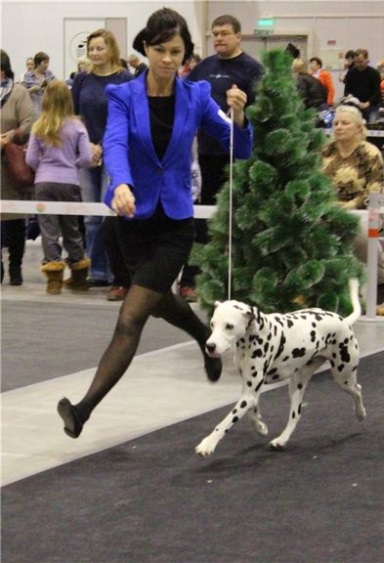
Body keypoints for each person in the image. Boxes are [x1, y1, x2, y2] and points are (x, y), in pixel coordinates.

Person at [56, 7, 253, 439]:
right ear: (145, 49)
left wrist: (239, 116)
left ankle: (83, 410)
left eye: (177, 51)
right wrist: (121, 183)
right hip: (130, 219)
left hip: (175, 225)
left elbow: (238, 147)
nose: (168, 59)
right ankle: (205, 337)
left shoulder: (198, 95)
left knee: (131, 317)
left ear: (186, 54)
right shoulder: (123, 96)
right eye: (160, 50)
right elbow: (116, 143)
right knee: (158, 299)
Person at [178, 14, 263, 300]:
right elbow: (184, 97)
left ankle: (241, 280)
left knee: (239, 219)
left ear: (239, 36)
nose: (219, 38)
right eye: (215, 34)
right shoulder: (203, 68)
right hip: (206, 156)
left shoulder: (253, 69)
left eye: (225, 33)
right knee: (202, 220)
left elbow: (263, 113)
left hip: (240, 157)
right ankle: (192, 277)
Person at [71, 28, 132, 298]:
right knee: (91, 217)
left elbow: (127, 118)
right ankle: (97, 271)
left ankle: (117, 272)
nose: (94, 53)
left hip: (116, 153)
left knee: (111, 215)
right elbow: (74, 116)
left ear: (111, 50)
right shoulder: (83, 80)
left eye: (99, 48)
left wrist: (105, 147)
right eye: (91, 49)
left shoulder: (124, 79)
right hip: (87, 152)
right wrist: (88, 146)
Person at [25, 81, 93, 294]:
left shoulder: (40, 126)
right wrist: (72, 165)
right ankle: (79, 275)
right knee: (71, 228)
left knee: (49, 229)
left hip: (44, 183)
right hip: (69, 182)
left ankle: (53, 280)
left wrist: (43, 168)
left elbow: (30, 159)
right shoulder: (77, 125)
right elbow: (87, 157)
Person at [321, 104, 384, 304]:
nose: (339, 127)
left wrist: (349, 206)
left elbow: (374, 190)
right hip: (327, 211)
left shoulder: (370, 153)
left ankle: (380, 276)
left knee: (359, 234)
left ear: (359, 128)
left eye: (345, 123)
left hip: (363, 212)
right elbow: (314, 183)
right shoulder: (324, 151)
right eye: (336, 123)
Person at [0, 49, 35, 285]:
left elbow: (30, 123)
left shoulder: (19, 93)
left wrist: (9, 137)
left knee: (14, 220)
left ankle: (15, 266)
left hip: (10, 167)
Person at [344, 48, 381, 123]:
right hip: (356, 106)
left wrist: (367, 104)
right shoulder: (351, 73)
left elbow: (376, 94)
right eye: (356, 62)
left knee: (372, 126)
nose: (358, 64)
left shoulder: (374, 74)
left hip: (372, 106)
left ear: (366, 59)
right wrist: (350, 96)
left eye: (360, 62)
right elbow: (347, 90)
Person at [22, 51, 55, 117]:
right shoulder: (28, 75)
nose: (47, 65)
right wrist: (32, 90)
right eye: (45, 63)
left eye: (48, 63)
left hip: (47, 107)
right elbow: (23, 94)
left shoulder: (49, 74)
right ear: (38, 63)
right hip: (34, 107)